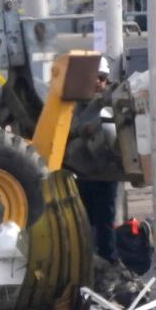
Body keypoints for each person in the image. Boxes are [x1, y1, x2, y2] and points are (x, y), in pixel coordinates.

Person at [64, 56, 121, 262]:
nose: (100, 82)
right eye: (96, 78)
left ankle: (108, 260)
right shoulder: (77, 105)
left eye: (103, 78)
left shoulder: (110, 103)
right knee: (83, 221)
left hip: (104, 176)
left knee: (104, 222)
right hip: (82, 175)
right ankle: (85, 259)